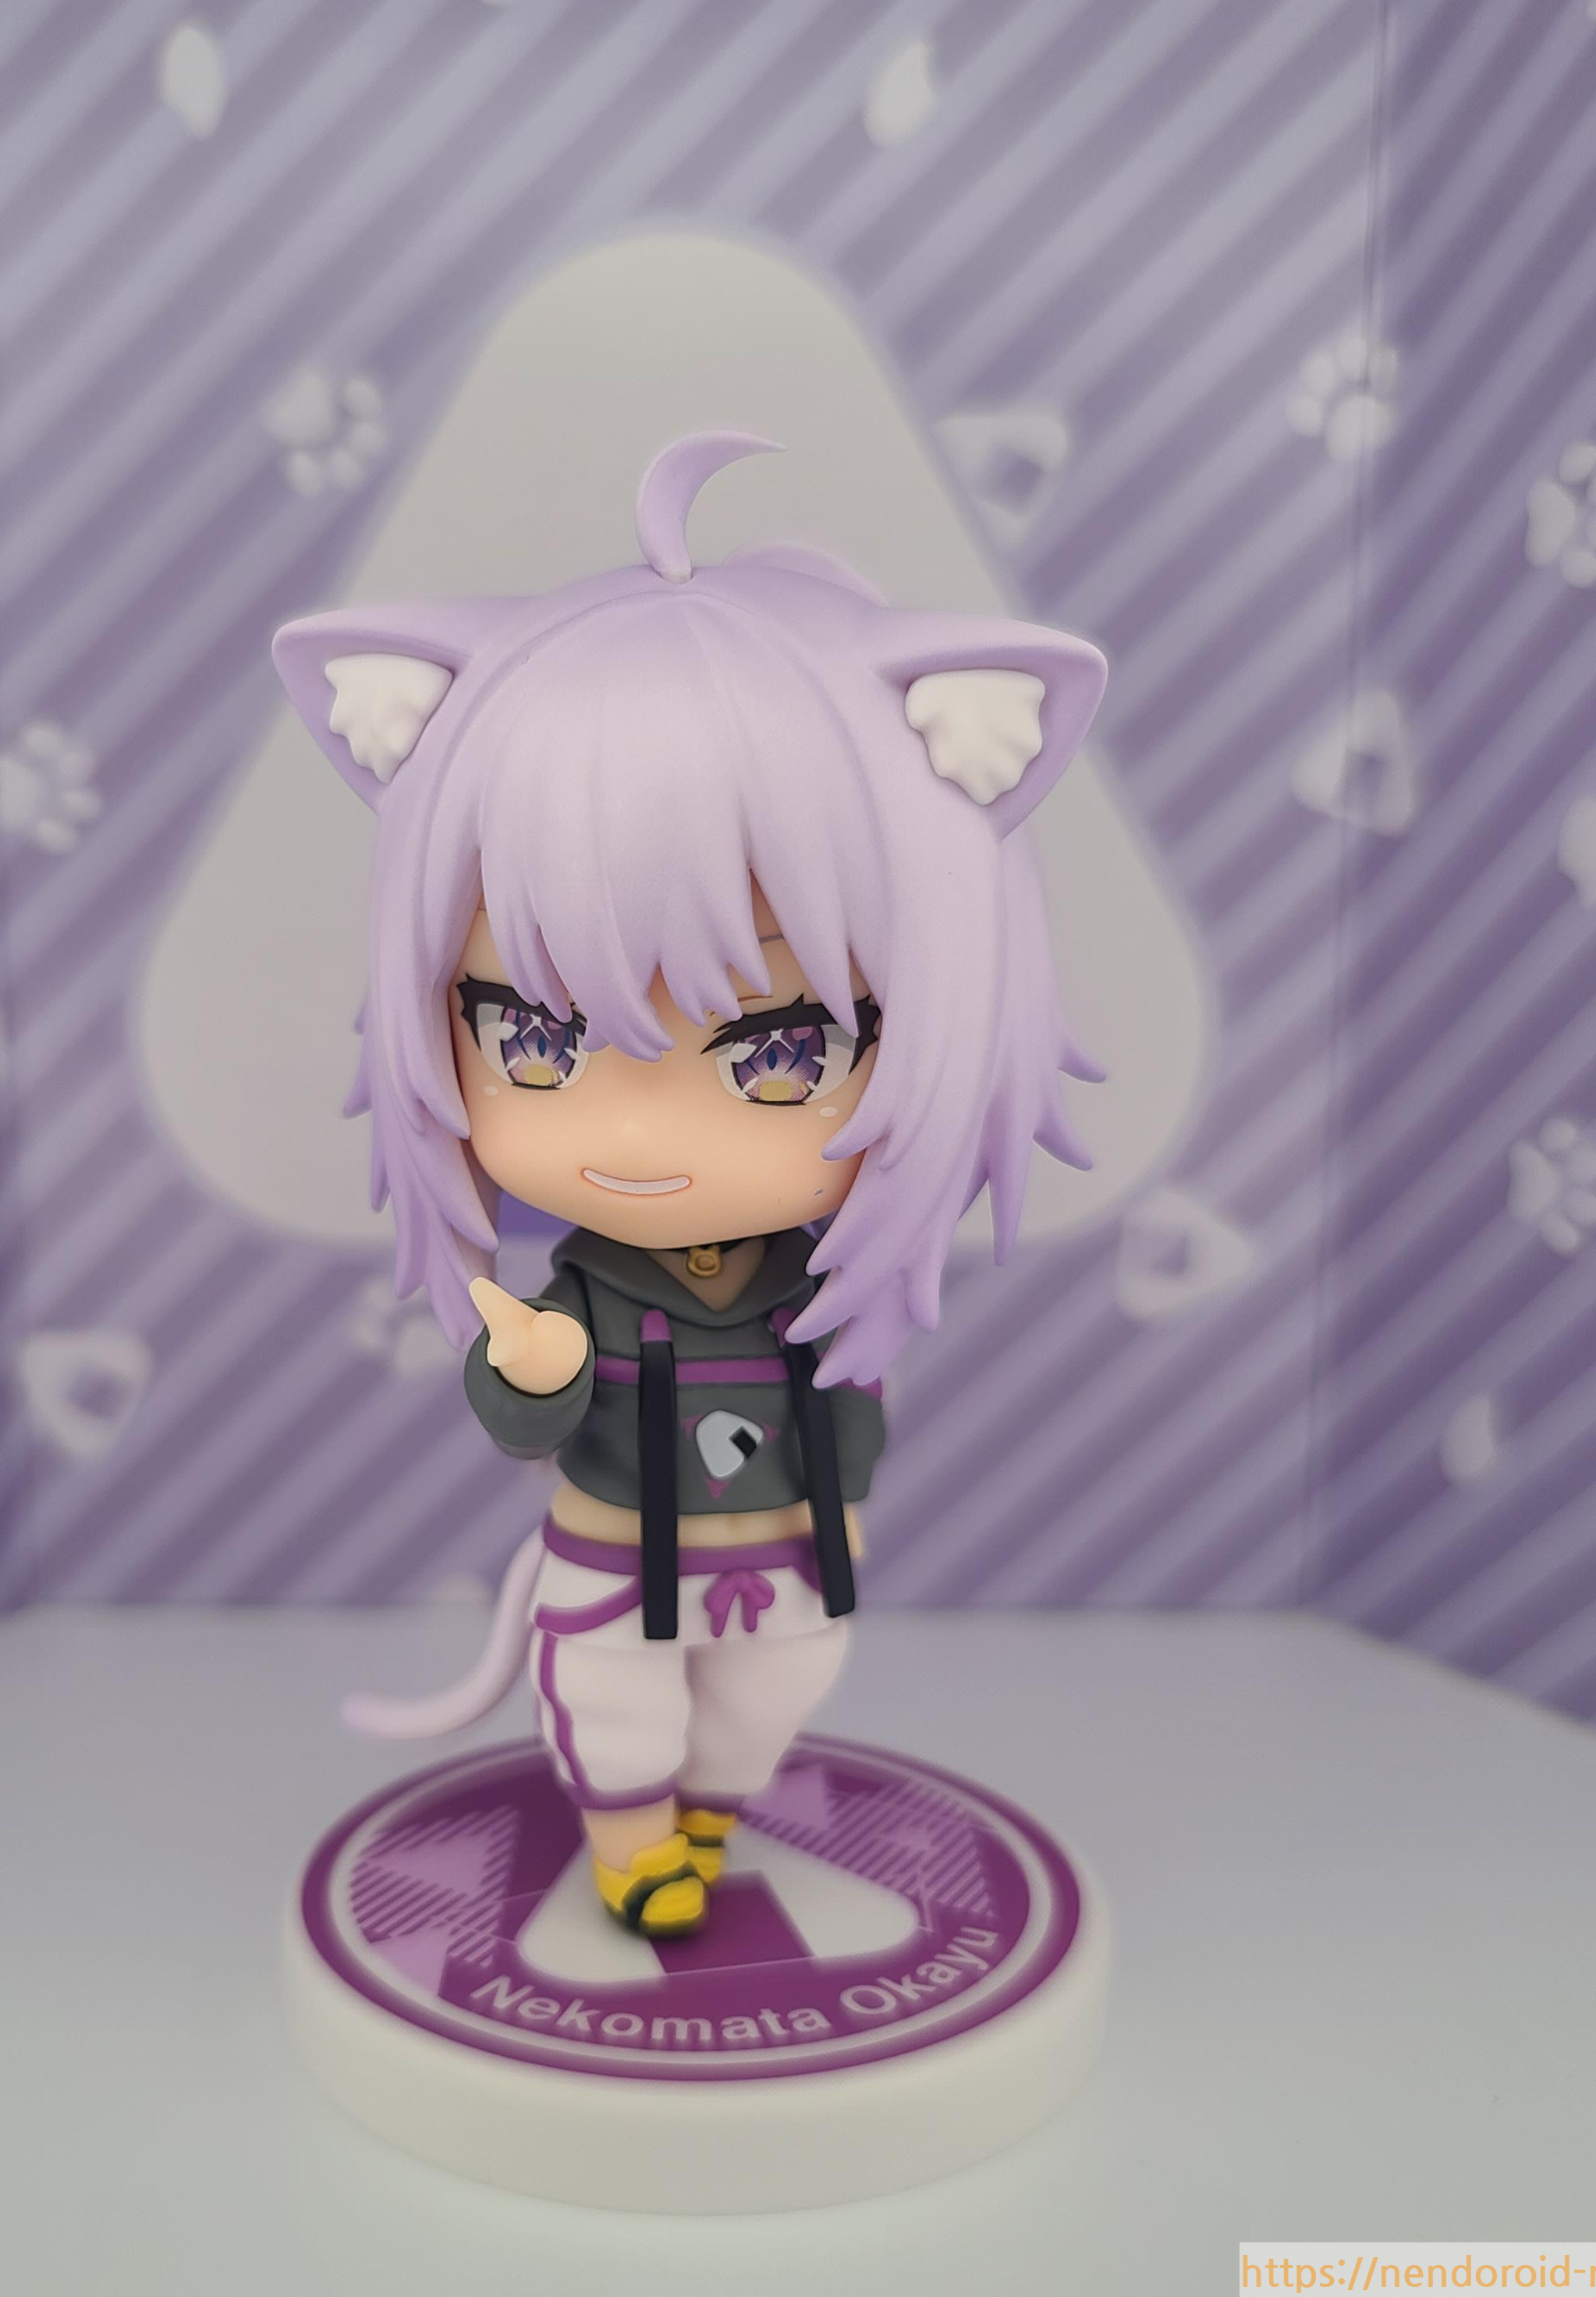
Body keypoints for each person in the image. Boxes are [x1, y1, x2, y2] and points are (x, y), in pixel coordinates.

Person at [271, 431, 1106, 1937]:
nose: (638, 1135)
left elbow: (849, 1404)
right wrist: (531, 1378)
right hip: (613, 1547)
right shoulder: (589, 1287)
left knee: (775, 1690)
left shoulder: (810, 1285)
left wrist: (849, 1464)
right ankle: (633, 1836)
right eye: (533, 1038)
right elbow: (528, 1409)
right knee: (615, 1703)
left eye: (777, 1051)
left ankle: (711, 1806)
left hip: (782, 1547)